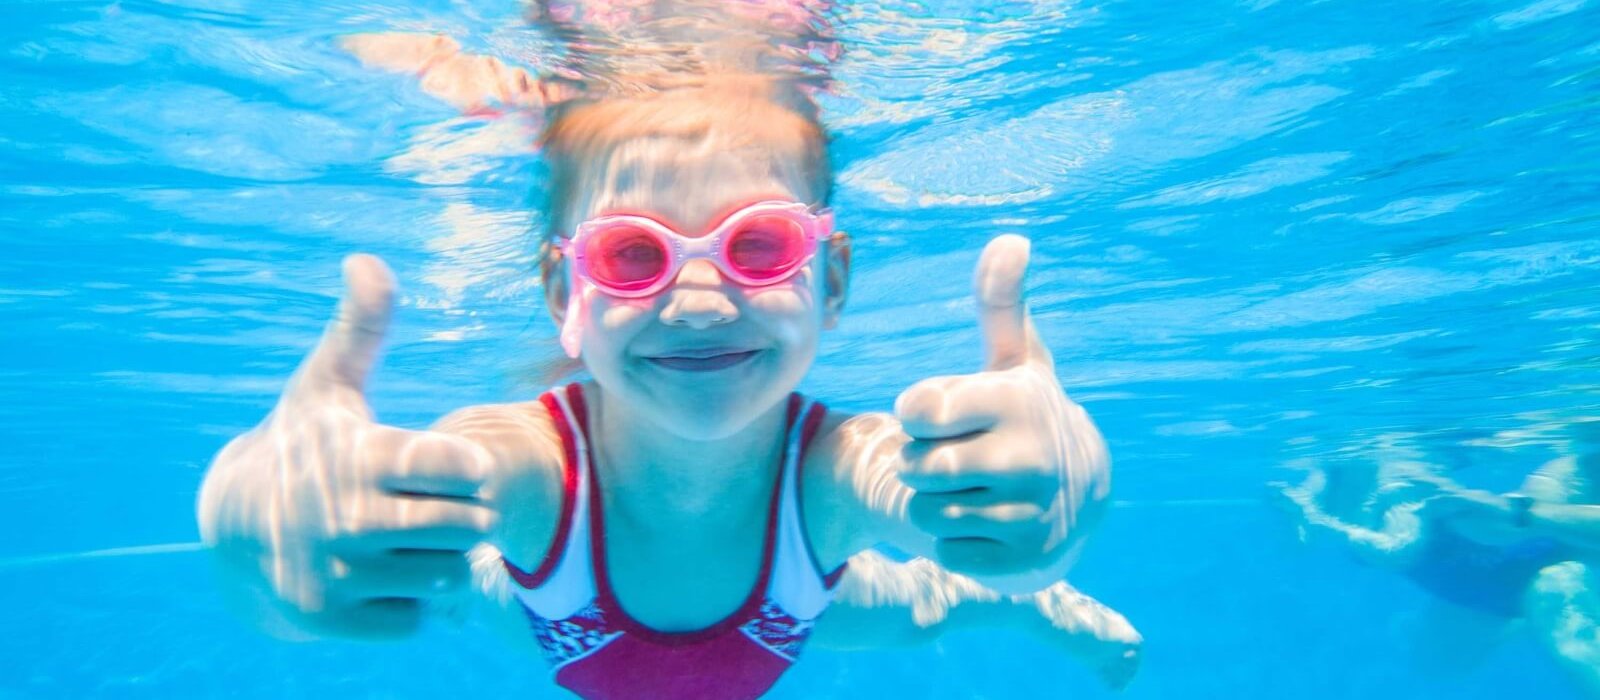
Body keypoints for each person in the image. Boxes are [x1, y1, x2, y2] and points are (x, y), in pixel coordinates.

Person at [196, 5, 1135, 698]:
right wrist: (263, 541)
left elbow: (921, 495)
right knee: (443, 582)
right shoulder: (525, 465)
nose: (695, 301)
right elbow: (415, 499)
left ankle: (1026, 614)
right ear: (566, 294)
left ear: (832, 283)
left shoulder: (838, 470)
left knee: (933, 607)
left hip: (786, 619)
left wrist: (1019, 528)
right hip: (558, 628)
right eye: (632, 255)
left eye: (758, 244)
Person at [1275, 424, 1600, 694]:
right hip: (1473, 584)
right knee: (1434, 665)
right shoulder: (1361, 475)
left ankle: (1537, 612)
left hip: (1549, 570)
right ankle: (1524, 619)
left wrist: (1519, 514)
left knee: (1568, 633)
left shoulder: (1566, 475)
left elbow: (1505, 523)